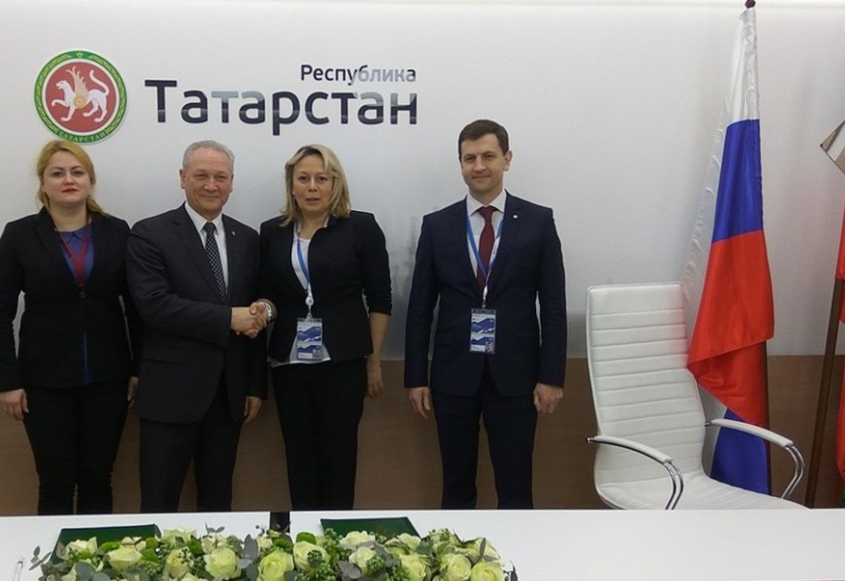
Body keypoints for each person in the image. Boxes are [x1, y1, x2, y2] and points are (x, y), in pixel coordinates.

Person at [404, 119, 567, 509]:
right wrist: (415, 376)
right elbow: (420, 307)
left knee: (515, 485)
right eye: (470, 158)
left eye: (488, 156)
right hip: (453, 376)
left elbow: (554, 305)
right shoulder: (437, 225)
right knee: (456, 484)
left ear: (507, 159)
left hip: (516, 376)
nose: (479, 166)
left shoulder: (538, 221)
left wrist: (551, 376)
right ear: (460, 164)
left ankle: (518, 548)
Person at [0, 139, 141, 515]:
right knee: (55, 484)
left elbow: (136, 309)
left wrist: (138, 368)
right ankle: (55, 555)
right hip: (43, 383)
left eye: (77, 172)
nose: (68, 180)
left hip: (107, 379)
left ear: (91, 181)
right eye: (57, 173)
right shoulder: (18, 235)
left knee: (98, 481)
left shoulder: (118, 232)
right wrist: (8, 382)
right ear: (43, 183)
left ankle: (98, 555)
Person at [127, 140, 270, 512]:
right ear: (182, 177)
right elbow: (154, 305)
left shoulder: (247, 238)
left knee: (218, 504)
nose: (211, 185)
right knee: (159, 503)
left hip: (228, 395)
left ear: (232, 182)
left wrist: (254, 384)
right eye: (201, 175)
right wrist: (229, 318)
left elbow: (259, 304)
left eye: (220, 177)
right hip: (169, 395)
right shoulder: (150, 233)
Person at [259, 144, 391, 510]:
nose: (312, 187)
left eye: (321, 178)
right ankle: (304, 538)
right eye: (303, 178)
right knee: (299, 458)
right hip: (289, 365)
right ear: (292, 184)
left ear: (336, 183)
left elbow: (380, 300)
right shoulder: (272, 232)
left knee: (339, 458)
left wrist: (374, 362)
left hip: (343, 364)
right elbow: (268, 296)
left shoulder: (360, 227)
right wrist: (261, 309)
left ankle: (338, 537)